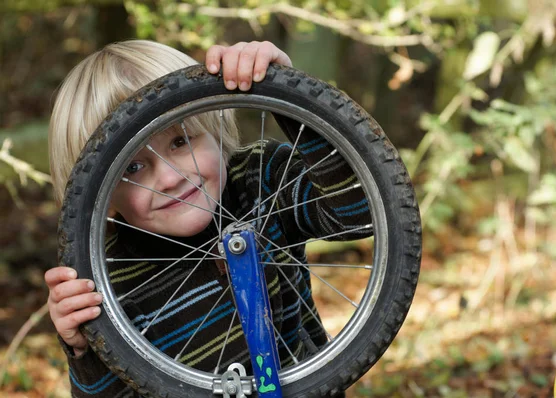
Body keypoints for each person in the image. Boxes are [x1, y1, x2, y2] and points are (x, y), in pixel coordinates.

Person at [44, 39, 371, 397]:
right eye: (134, 167)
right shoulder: (107, 279)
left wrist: (292, 98)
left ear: (215, 123)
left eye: (181, 142)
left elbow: (358, 214)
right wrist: (84, 348)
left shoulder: (260, 180)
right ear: (98, 194)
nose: (170, 178)